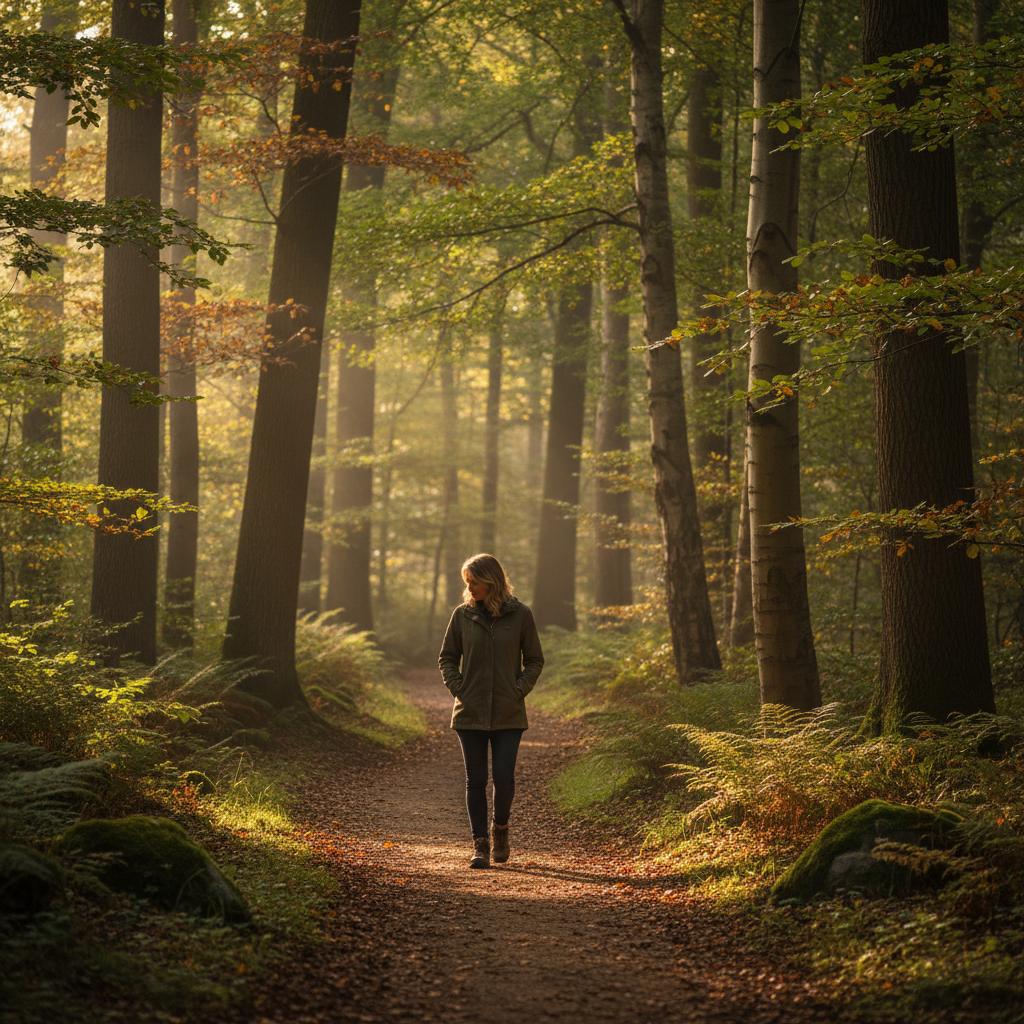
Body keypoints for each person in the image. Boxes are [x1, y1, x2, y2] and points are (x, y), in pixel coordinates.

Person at [438, 553, 544, 869]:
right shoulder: (461, 616)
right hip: (469, 712)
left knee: (503, 777)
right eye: (467, 583)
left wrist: (518, 689)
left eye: (475, 583)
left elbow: (535, 660)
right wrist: (460, 689)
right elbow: (446, 658)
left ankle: (500, 829)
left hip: (508, 712)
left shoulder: (521, 615)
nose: (470, 589)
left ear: (492, 582)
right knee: (475, 780)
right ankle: (480, 844)